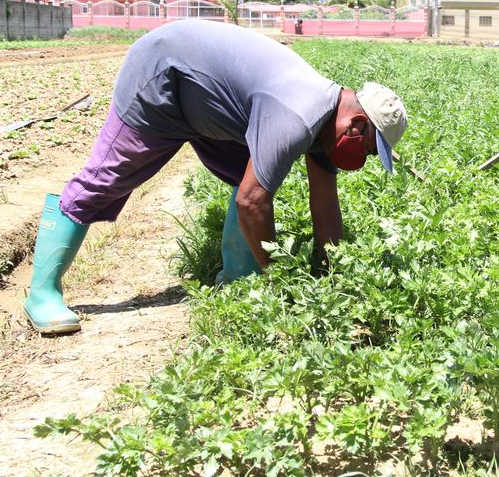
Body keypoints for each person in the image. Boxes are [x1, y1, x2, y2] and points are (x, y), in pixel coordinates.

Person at [23, 20, 407, 335]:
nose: (366, 160)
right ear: (356, 126)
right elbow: (252, 201)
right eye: (371, 151)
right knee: (106, 179)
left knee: (246, 178)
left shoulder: (327, 127)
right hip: (163, 75)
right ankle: (42, 293)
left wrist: (334, 278)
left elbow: (325, 208)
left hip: (210, 105)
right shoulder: (297, 115)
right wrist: (281, 285)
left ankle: (238, 279)